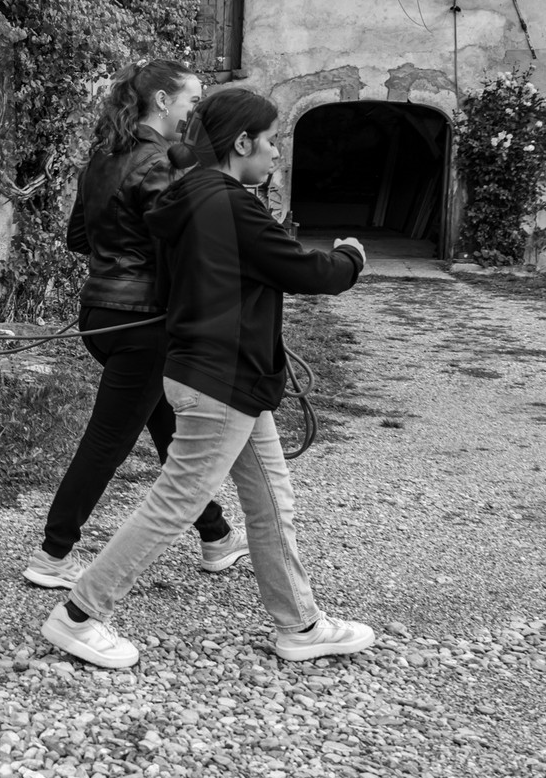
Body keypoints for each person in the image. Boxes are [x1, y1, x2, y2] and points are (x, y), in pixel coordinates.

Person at [41, 88, 373, 668]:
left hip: (224, 375)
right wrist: (351, 258)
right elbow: (305, 269)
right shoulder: (229, 203)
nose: (277, 154)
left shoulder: (188, 196)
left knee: (272, 501)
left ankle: (300, 625)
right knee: (176, 502)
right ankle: (79, 614)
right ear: (242, 142)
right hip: (220, 378)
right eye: (272, 141)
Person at [24, 60, 250, 590]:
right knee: (107, 440)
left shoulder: (102, 158)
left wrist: (119, 248)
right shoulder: (160, 163)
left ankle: (216, 535)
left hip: (101, 314)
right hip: (143, 320)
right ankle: (52, 555)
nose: (196, 110)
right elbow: (181, 237)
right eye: (193, 100)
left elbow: (79, 237)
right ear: (165, 101)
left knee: (166, 426)